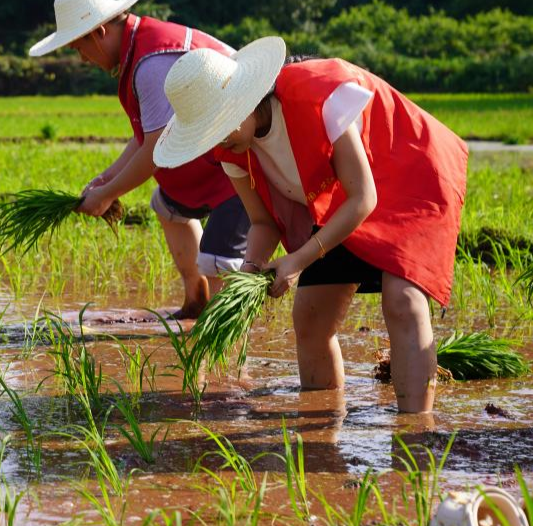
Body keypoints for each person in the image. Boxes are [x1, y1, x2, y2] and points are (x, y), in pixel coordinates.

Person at [153, 37, 468, 413]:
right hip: (338, 198)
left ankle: (415, 438)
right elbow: (263, 222)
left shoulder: (319, 99)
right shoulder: (232, 148)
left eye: (216, 127)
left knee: (402, 302)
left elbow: (364, 197)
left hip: (411, 175)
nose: (214, 141)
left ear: (239, 105)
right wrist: (252, 273)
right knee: (310, 318)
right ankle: (322, 430)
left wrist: (297, 261)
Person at [29, 0, 250, 319]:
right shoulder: (140, 49)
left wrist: (106, 195)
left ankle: (229, 361)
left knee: (219, 263)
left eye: (78, 48)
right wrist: (108, 177)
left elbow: (157, 148)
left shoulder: (151, 64)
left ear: (98, 32)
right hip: (212, 153)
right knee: (167, 206)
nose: (83, 59)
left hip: (242, 159)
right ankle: (196, 302)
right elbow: (148, 134)